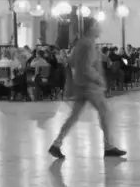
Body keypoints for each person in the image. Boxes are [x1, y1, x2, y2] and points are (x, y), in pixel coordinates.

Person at [49, 17, 125, 159]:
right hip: (90, 86)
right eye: (97, 26)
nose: (100, 28)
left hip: (81, 85)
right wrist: (99, 79)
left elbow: (71, 62)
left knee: (74, 116)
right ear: (91, 28)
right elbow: (86, 67)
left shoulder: (81, 44)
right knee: (106, 112)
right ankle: (108, 146)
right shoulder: (88, 44)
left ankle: (56, 144)